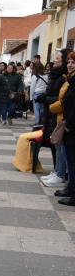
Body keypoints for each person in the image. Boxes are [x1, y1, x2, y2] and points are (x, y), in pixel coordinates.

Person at [40, 49, 71, 188]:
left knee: (60, 146)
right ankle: (57, 171)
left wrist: (48, 101)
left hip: (60, 115)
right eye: (69, 62)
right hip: (55, 115)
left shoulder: (65, 77)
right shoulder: (59, 76)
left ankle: (60, 174)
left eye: (57, 58)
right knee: (57, 145)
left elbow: (62, 99)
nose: (54, 61)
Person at [58, 52, 75, 205]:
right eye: (69, 62)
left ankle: (73, 195)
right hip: (68, 124)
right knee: (70, 160)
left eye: (73, 62)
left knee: (73, 160)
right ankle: (70, 188)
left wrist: (69, 123)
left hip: (73, 127)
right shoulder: (71, 80)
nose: (70, 64)